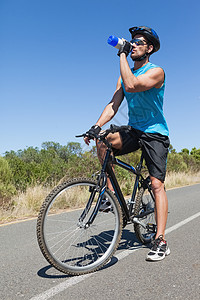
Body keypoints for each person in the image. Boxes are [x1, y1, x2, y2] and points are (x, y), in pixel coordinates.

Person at [84, 26, 170, 262]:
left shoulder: (157, 72)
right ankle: (109, 195)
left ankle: (160, 240)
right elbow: (114, 104)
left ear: (149, 48)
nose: (133, 45)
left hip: (155, 133)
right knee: (103, 142)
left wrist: (121, 53)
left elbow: (132, 85)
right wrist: (96, 126)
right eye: (131, 41)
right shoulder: (124, 74)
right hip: (134, 130)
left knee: (156, 184)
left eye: (139, 42)